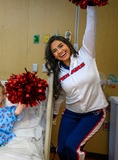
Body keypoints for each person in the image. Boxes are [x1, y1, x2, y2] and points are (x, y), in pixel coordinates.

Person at [44, 5, 108, 160]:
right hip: (71, 114)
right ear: (53, 56)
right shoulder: (58, 73)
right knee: (61, 150)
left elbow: (91, 28)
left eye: (61, 46)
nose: (60, 51)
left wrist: (91, 7)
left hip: (93, 113)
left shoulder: (86, 55)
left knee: (72, 147)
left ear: (67, 44)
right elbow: (59, 96)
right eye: (55, 51)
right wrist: (52, 115)